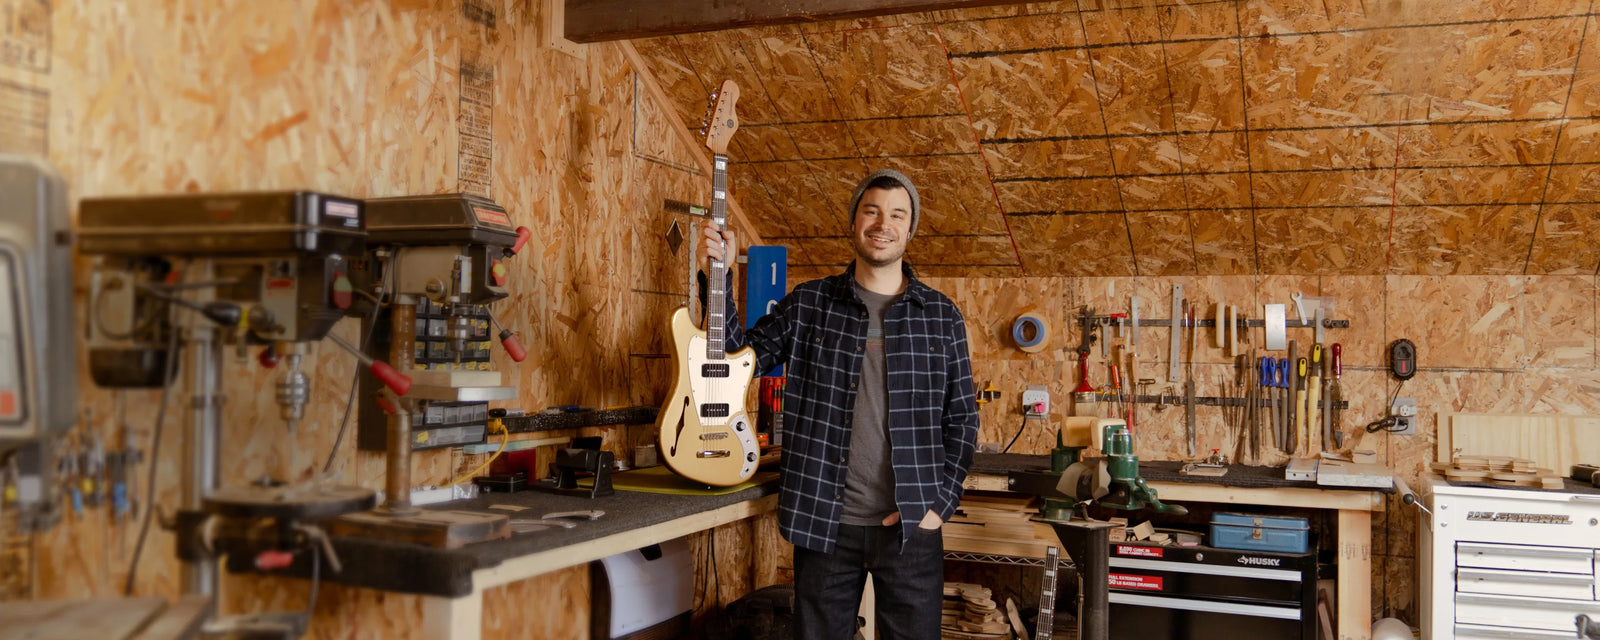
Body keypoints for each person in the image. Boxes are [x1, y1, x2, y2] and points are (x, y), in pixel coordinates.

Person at [702, 169, 980, 639]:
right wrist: (720, 275)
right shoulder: (809, 304)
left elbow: (964, 417)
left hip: (911, 527)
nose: (882, 223)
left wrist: (940, 502)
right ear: (854, 222)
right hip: (824, 524)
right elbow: (732, 361)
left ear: (909, 230)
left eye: (897, 214)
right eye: (871, 210)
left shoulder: (940, 314)